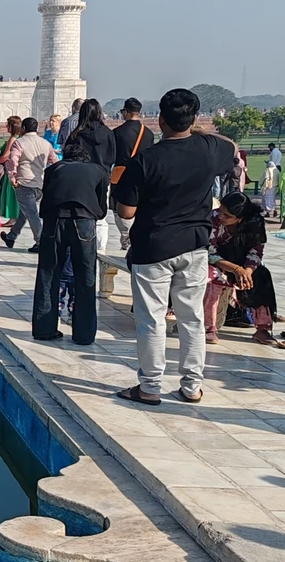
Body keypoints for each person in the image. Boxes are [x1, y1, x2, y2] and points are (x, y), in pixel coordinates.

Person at [113, 87, 237, 405]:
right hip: (194, 245)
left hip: (153, 246)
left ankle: (150, 386)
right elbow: (232, 147)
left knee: (152, 319)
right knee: (191, 317)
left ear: (161, 121)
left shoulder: (147, 160)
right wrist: (194, 130)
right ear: (193, 119)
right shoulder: (208, 149)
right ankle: (192, 386)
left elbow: (126, 211)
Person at [31, 136, 108, 344]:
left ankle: (44, 329)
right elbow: (102, 207)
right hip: (84, 220)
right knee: (85, 275)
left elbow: (47, 195)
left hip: (53, 221)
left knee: (48, 272)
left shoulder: (53, 170)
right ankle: (84, 335)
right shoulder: (98, 171)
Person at [204, 192, 282, 348]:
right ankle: (208, 327)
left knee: (261, 276)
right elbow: (210, 251)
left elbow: (256, 250)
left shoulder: (254, 223)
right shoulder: (212, 219)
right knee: (213, 277)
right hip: (217, 261)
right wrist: (235, 269)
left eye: (227, 215)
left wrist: (247, 271)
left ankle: (263, 328)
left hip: (242, 263)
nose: (221, 216)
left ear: (240, 218)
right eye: (221, 211)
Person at [66, 99, 116, 251]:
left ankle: (83, 248)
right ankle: (100, 250)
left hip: (81, 179)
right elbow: (113, 156)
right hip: (102, 177)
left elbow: (68, 155)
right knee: (101, 217)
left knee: (81, 215)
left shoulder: (77, 135)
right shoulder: (108, 133)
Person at [1, 116, 57, 251]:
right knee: (25, 211)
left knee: (31, 213)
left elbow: (13, 160)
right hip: (39, 183)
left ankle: (41, 242)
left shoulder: (20, 143)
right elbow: (54, 161)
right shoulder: (45, 144)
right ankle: (12, 236)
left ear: (24, 128)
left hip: (24, 183)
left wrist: (11, 176)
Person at [110, 98, 154, 252]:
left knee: (119, 207)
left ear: (126, 112)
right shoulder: (148, 133)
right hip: (143, 174)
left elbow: (111, 155)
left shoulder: (117, 132)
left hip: (120, 173)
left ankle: (126, 234)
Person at [0, 117, 22, 224]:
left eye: (8, 125)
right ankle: (14, 218)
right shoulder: (18, 138)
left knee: (10, 193)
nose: (6, 127)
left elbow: (6, 156)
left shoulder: (13, 139)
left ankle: (13, 218)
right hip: (15, 169)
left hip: (10, 169)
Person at [261, 145, 281, 219]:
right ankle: (275, 210)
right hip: (275, 186)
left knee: (267, 198)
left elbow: (265, 178)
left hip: (268, 186)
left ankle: (268, 212)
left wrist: (263, 186)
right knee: (273, 198)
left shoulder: (268, 170)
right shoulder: (276, 171)